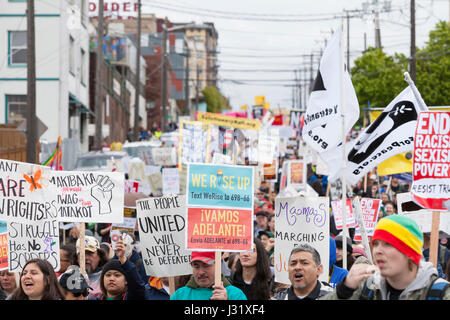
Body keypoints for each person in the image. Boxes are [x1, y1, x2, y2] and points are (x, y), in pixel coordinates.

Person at [321, 215, 450, 300]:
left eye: (388, 244)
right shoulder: (369, 287)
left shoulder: (440, 293)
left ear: (410, 252)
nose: (378, 251)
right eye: (376, 244)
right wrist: (344, 290)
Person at [170, 251, 247, 300]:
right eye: (196, 266)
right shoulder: (179, 295)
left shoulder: (235, 295)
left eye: (206, 265)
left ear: (218, 265)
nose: (201, 272)